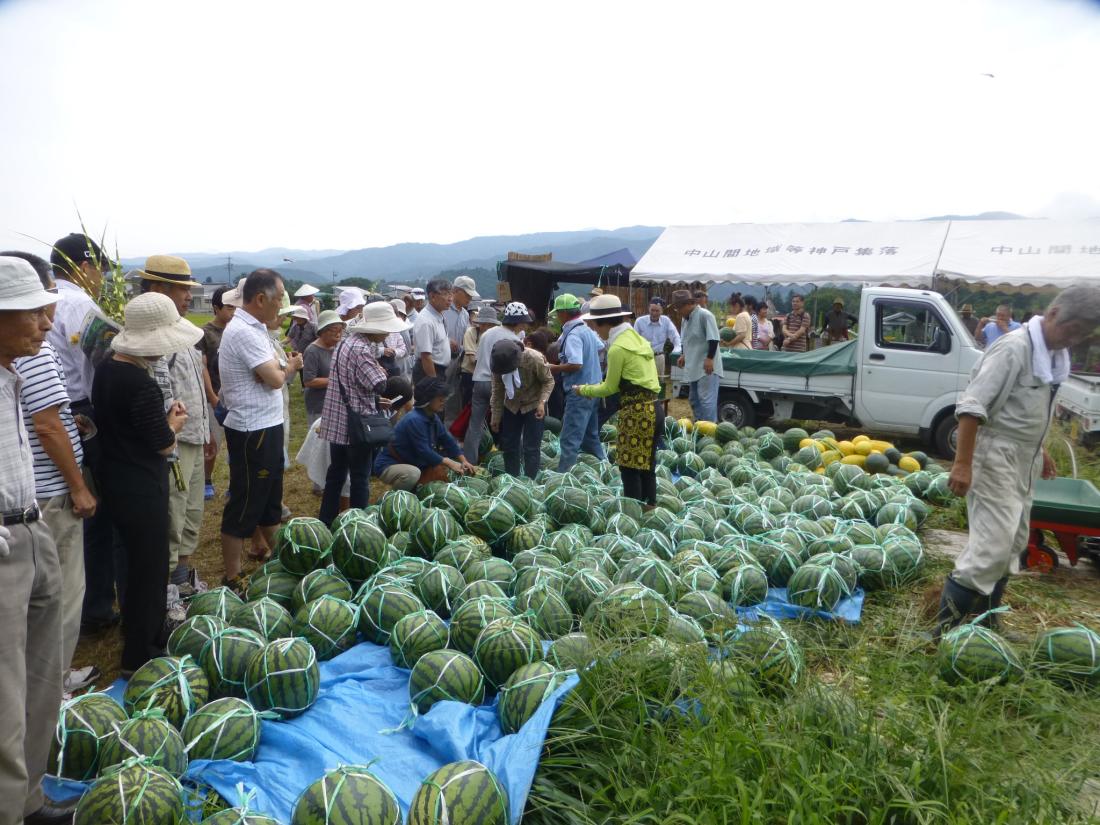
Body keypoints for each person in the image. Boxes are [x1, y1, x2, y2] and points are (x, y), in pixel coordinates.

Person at [935, 286, 1100, 636]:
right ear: (1054, 314)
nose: (1073, 341)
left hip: (1021, 458)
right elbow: (971, 406)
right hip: (994, 455)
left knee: (1013, 543)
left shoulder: (1052, 357)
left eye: (1082, 335)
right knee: (991, 547)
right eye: (1072, 331)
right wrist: (962, 463)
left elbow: (1022, 412)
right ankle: (940, 632)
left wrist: (1038, 452)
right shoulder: (1014, 349)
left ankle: (988, 623)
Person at [0, 256, 74, 825]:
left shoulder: (14, 376)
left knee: (42, 679)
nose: (47, 323)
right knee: (5, 696)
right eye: (33, 314)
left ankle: (29, 801)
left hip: (34, 528)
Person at [93, 292, 198, 675]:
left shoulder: (106, 369)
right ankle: (141, 652)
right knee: (149, 572)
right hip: (142, 487)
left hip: (116, 480)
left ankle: (137, 637)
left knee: (134, 567)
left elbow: (130, 428)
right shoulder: (141, 384)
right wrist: (173, 423)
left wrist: (159, 421)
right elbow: (163, 444)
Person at [10, 252, 101, 695]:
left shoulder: (16, 357)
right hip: (50, 491)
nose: (49, 319)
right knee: (62, 594)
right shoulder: (34, 351)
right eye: (40, 306)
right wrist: (79, 486)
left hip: (36, 490)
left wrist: (72, 423)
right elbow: (46, 425)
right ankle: (57, 686)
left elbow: (41, 420)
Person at [47, 233, 123, 638]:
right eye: (101, 270)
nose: (102, 279)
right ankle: (96, 604)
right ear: (84, 266)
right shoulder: (76, 303)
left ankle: (88, 602)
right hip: (82, 410)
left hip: (60, 412)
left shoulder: (47, 297)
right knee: (98, 509)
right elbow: (104, 357)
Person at [218, 270, 302, 589]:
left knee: (269, 499)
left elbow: (271, 372)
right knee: (246, 501)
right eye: (279, 298)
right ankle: (232, 575)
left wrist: (275, 370)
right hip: (254, 430)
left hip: (268, 424)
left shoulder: (257, 329)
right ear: (261, 299)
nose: (281, 306)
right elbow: (277, 378)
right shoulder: (244, 332)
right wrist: (288, 367)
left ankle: (282, 559)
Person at [138, 255, 210, 594]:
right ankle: (165, 589)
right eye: (182, 289)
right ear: (156, 289)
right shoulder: (147, 338)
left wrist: (207, 430)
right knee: (174, 511)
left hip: (194, 435)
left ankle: (182, 578)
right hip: (173, 441)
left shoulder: (182, 332)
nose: (187, 297)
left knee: (192, 509)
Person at [318, 302, 403, 524]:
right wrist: (383, 374)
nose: (388, 333)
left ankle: (326, 521)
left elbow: (352, 383)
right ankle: (359, 524)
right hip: (356, 426)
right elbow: (380, 384)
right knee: (360, 478)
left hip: (337, 421)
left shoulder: (346, 343)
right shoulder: (362, 351)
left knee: (335, 475)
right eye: (386, 328)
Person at [574, 295, 663, 505]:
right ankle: (649, 511)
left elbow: (609, 387)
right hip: (655, 409)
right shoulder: (637, 339)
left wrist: (583, 390)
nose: (595, 330)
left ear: (605, 323)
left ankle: (633, 516)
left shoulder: (618, 348)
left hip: (637, 413)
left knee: (629, 468)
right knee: (646, 467)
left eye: (595, 325)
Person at [374, 377, 477, 489]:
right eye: (440, 399)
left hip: (411, 462)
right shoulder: (414, 420)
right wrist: (450, 463)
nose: (444, 402)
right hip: (389, 464)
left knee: (439, 470)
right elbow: (424, 451)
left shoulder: (432, 416)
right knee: (412, 474)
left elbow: (447, 439)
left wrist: (463, 460)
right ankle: (397, 499)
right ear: (428, 400)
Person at [465, 303, 529, 463]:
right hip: (500, 386)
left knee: (475, 425)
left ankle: (469, 462)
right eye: (523, 322)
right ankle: (513, 460)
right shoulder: (514, 340)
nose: (525, 325)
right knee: (510, 424)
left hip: (480, 382)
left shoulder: (487, 333)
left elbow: (477, 358)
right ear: (518, 322)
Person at [550, 293, 607, 470]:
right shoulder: (586, 329)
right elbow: (600, 346)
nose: (557, 318)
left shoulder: (573, 334)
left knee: (569, 439)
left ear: (564, 314)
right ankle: (607, 469)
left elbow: (575, 364)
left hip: (579, 392)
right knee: (591, 436)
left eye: (557, 314)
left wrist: (554, 367)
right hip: (595, 389)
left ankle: (563, 477)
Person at [489, 338, 553, 478]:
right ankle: (512, 479)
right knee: (509, 445)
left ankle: (531, 480)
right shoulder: (498, 363)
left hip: (534, 404)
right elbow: (498, 391)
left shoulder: (534, 359)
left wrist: (542, 402)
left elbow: (548, 381)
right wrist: (496, 416)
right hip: (511, 405)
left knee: (531, 447)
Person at [199, 285, 235, 499]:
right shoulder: (205, 333)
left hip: (236, 397)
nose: (233, 312)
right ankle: (206, 480)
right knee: (212, 443)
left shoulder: (237, 330)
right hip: (213, 398)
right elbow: (201, 365)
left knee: (237, 445)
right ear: (216, 307)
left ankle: (235, 483)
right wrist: (213, 397)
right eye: (229, 308)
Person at [673, 289, 724, 423]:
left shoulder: (705, 315)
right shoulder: (685, 319)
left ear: (688, 304)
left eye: (678, 308)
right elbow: (687, 339)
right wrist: (684, 355)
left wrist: (709, 358)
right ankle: (700, 426)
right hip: (694, 365)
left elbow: (714, 339)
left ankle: (710, 432)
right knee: (694, 399)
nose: (677, 311)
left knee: (707, 401)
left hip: (707, 365)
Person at [442, 275, 479, 422]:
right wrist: (446, 341)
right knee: (437, 398)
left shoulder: (464, 314)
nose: (469, 298)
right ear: (456, 291)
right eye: (467, 294)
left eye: (471, 295)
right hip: (441, 361)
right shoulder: (443, 310)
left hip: (458, 362)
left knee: (453, 398)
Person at [634, 297, 680, 402]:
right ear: (648, 309)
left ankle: (658, 406)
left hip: (659, 356)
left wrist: (677, 350)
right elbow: (634, 341)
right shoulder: (640, 321)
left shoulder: (666, 321)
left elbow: (675, 337)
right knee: (643, 382)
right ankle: (643, 404)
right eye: (652, 310)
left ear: (662, 311)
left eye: (657, 311)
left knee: (659, 383)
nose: (654, 313)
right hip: (643, 357)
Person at [303, 310, 345, 427]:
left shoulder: (337, 347)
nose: (338, 334)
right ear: (323, 331)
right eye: (334, 330)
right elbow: (309, 381)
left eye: (341, 330)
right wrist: (337, 379)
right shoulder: (312, 351)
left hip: (336, 401)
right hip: (319, 404)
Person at [412, 279, 453, 382]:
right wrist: (433, 382)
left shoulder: (438, 315)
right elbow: (426, 356)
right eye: (445, 294)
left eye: (450, 294)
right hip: (429, 371)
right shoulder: (426, 321)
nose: (450, 299)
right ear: (432, 296)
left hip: (438, 369)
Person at [462, 305, 498, 411]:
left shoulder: (495, 335)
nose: (486, 326)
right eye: (484, 323)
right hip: (470, 374)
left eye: (490, 324)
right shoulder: (471, 332)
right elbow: (472, 359)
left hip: (488, 377)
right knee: (468, 408)